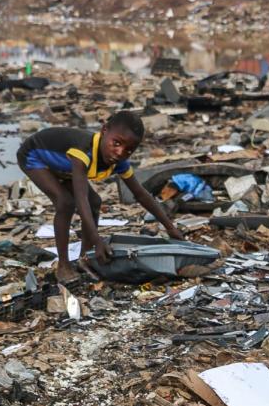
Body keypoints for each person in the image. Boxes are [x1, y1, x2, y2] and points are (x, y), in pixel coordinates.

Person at [17, 111, 184, 283]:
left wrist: (170, 227)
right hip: (34, 156)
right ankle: (63, 266)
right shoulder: (83, 152)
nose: (120, 152)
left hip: (62, 165)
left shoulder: (118, 162)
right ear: (104, 130)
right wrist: (98, 241)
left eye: (128, 150)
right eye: (116, 143)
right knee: (66, 203)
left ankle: (84, 259)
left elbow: (140, 194)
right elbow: (81, 202)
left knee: (95, 201)